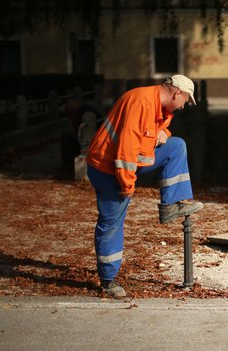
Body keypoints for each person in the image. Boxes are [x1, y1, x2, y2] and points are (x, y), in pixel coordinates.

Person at [86, 74, 203, 298]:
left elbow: (158, 127)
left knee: (176, 145)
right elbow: (126, 150)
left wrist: (165, 132)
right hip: (108, 168)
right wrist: (127, 186)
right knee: (112, 223)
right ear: (176, 93)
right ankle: (108, 280)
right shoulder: (141, 102)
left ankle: (171, 205)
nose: (183, 107)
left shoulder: (157, 103)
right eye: (185, 100)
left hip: (121, 164)